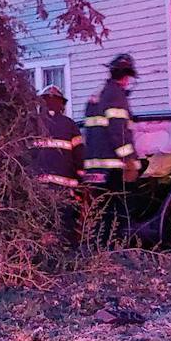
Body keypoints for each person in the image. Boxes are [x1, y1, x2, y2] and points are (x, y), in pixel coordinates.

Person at [82, 53, 140, 246]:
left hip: (93, 167)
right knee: (119, 210)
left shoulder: (97, 96)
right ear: (125, 77)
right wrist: (129, 158)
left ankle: (99, 249)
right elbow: (117, 131)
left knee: (101, 211)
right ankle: (116, 249)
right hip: (114, 167)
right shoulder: (116, 95)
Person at [28, 83, 84, 241]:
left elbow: (26, 157)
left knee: (42, 227)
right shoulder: (70, 125)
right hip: (64, 190)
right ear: (62, 105)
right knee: (65, 228)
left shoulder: (32, 125)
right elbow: (79, 156)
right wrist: (81, 180)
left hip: (39, 189)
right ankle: (69, 258)